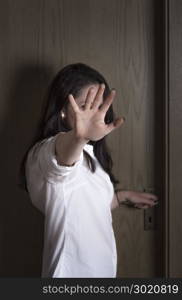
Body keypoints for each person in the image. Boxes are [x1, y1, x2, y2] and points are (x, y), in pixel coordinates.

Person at [19, 63, 158, 278]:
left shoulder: (92, 156)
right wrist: (79, 136)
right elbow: (62, 164)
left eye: (99, 107)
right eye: (86, 106)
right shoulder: (44, 154)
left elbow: (89, 204)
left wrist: (121, 197)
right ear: (63, 110)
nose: (95, 115)